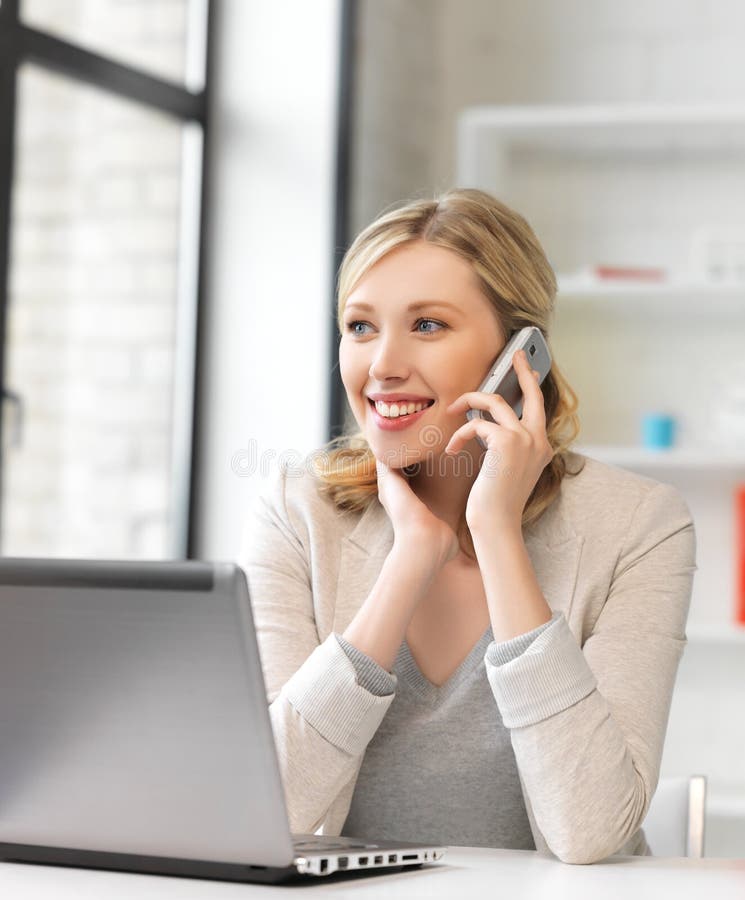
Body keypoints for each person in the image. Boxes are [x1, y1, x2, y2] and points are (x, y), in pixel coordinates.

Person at [239, 188, 696, 865]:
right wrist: (410, 558)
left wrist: (495, 531)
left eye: (427, 325)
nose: (382, 365)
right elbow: (268, 812)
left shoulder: (638, 525)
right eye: (360, 327)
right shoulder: (294, 510)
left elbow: (589, 830)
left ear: (519, 356)